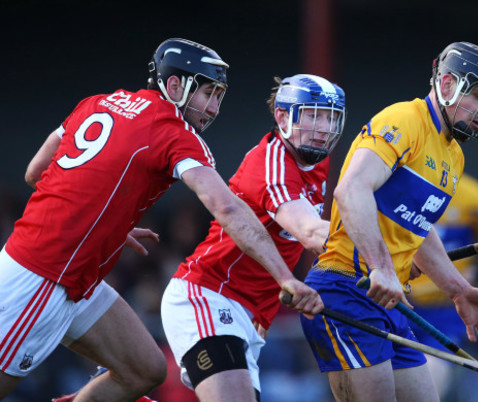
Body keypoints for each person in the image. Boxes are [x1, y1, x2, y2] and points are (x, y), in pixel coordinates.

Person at [0, 37, 322, 401]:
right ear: (173, 86)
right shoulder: (175, 133)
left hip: (76, 279)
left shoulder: (96, 103)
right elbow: (228, 208)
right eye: (207, 93)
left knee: (144, 370)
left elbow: (36, 171)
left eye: (219, 96)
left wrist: (102, 220)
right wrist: (284, 277)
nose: (214, 108)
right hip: (41, 277)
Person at [299, 41, 478, 402]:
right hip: (347, 289)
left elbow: (417, 229)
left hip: (391, 302)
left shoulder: (453, 155)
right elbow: (350, 190)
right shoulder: (403, 120)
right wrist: (382, 267)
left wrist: (457, 289)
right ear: (446, 84)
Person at [160, 73, 346, 402]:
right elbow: (310, 232)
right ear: (283, 117)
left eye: (331, 117)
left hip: (248, 315)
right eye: (314, 114)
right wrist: (385, 252)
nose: (323, 128)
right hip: (208, 296)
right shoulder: (273, 162)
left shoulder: (318, 164)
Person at [407, 173, 478, 398]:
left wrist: (477, 272)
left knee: (433, 374)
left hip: (447, 308)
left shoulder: (475, 196)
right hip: (400, 302)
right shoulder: (403, 187)